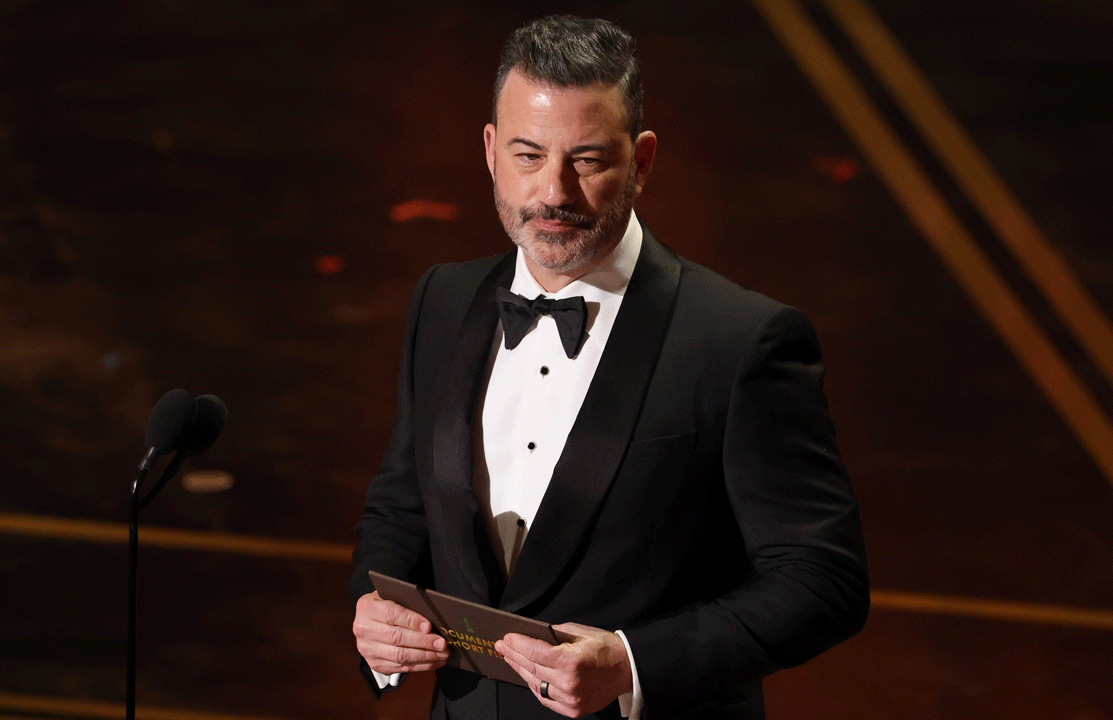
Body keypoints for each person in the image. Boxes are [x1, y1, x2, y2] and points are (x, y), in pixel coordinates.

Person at [350, 14, 868, 720]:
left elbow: (822, 581)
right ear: (491, 150)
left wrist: (632, 664)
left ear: (643, 160)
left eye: (588, 160)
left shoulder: (741, 340)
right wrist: (375, 608)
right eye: (529, 156)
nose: (555, 193)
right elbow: (402, 502)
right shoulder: (443, 300)